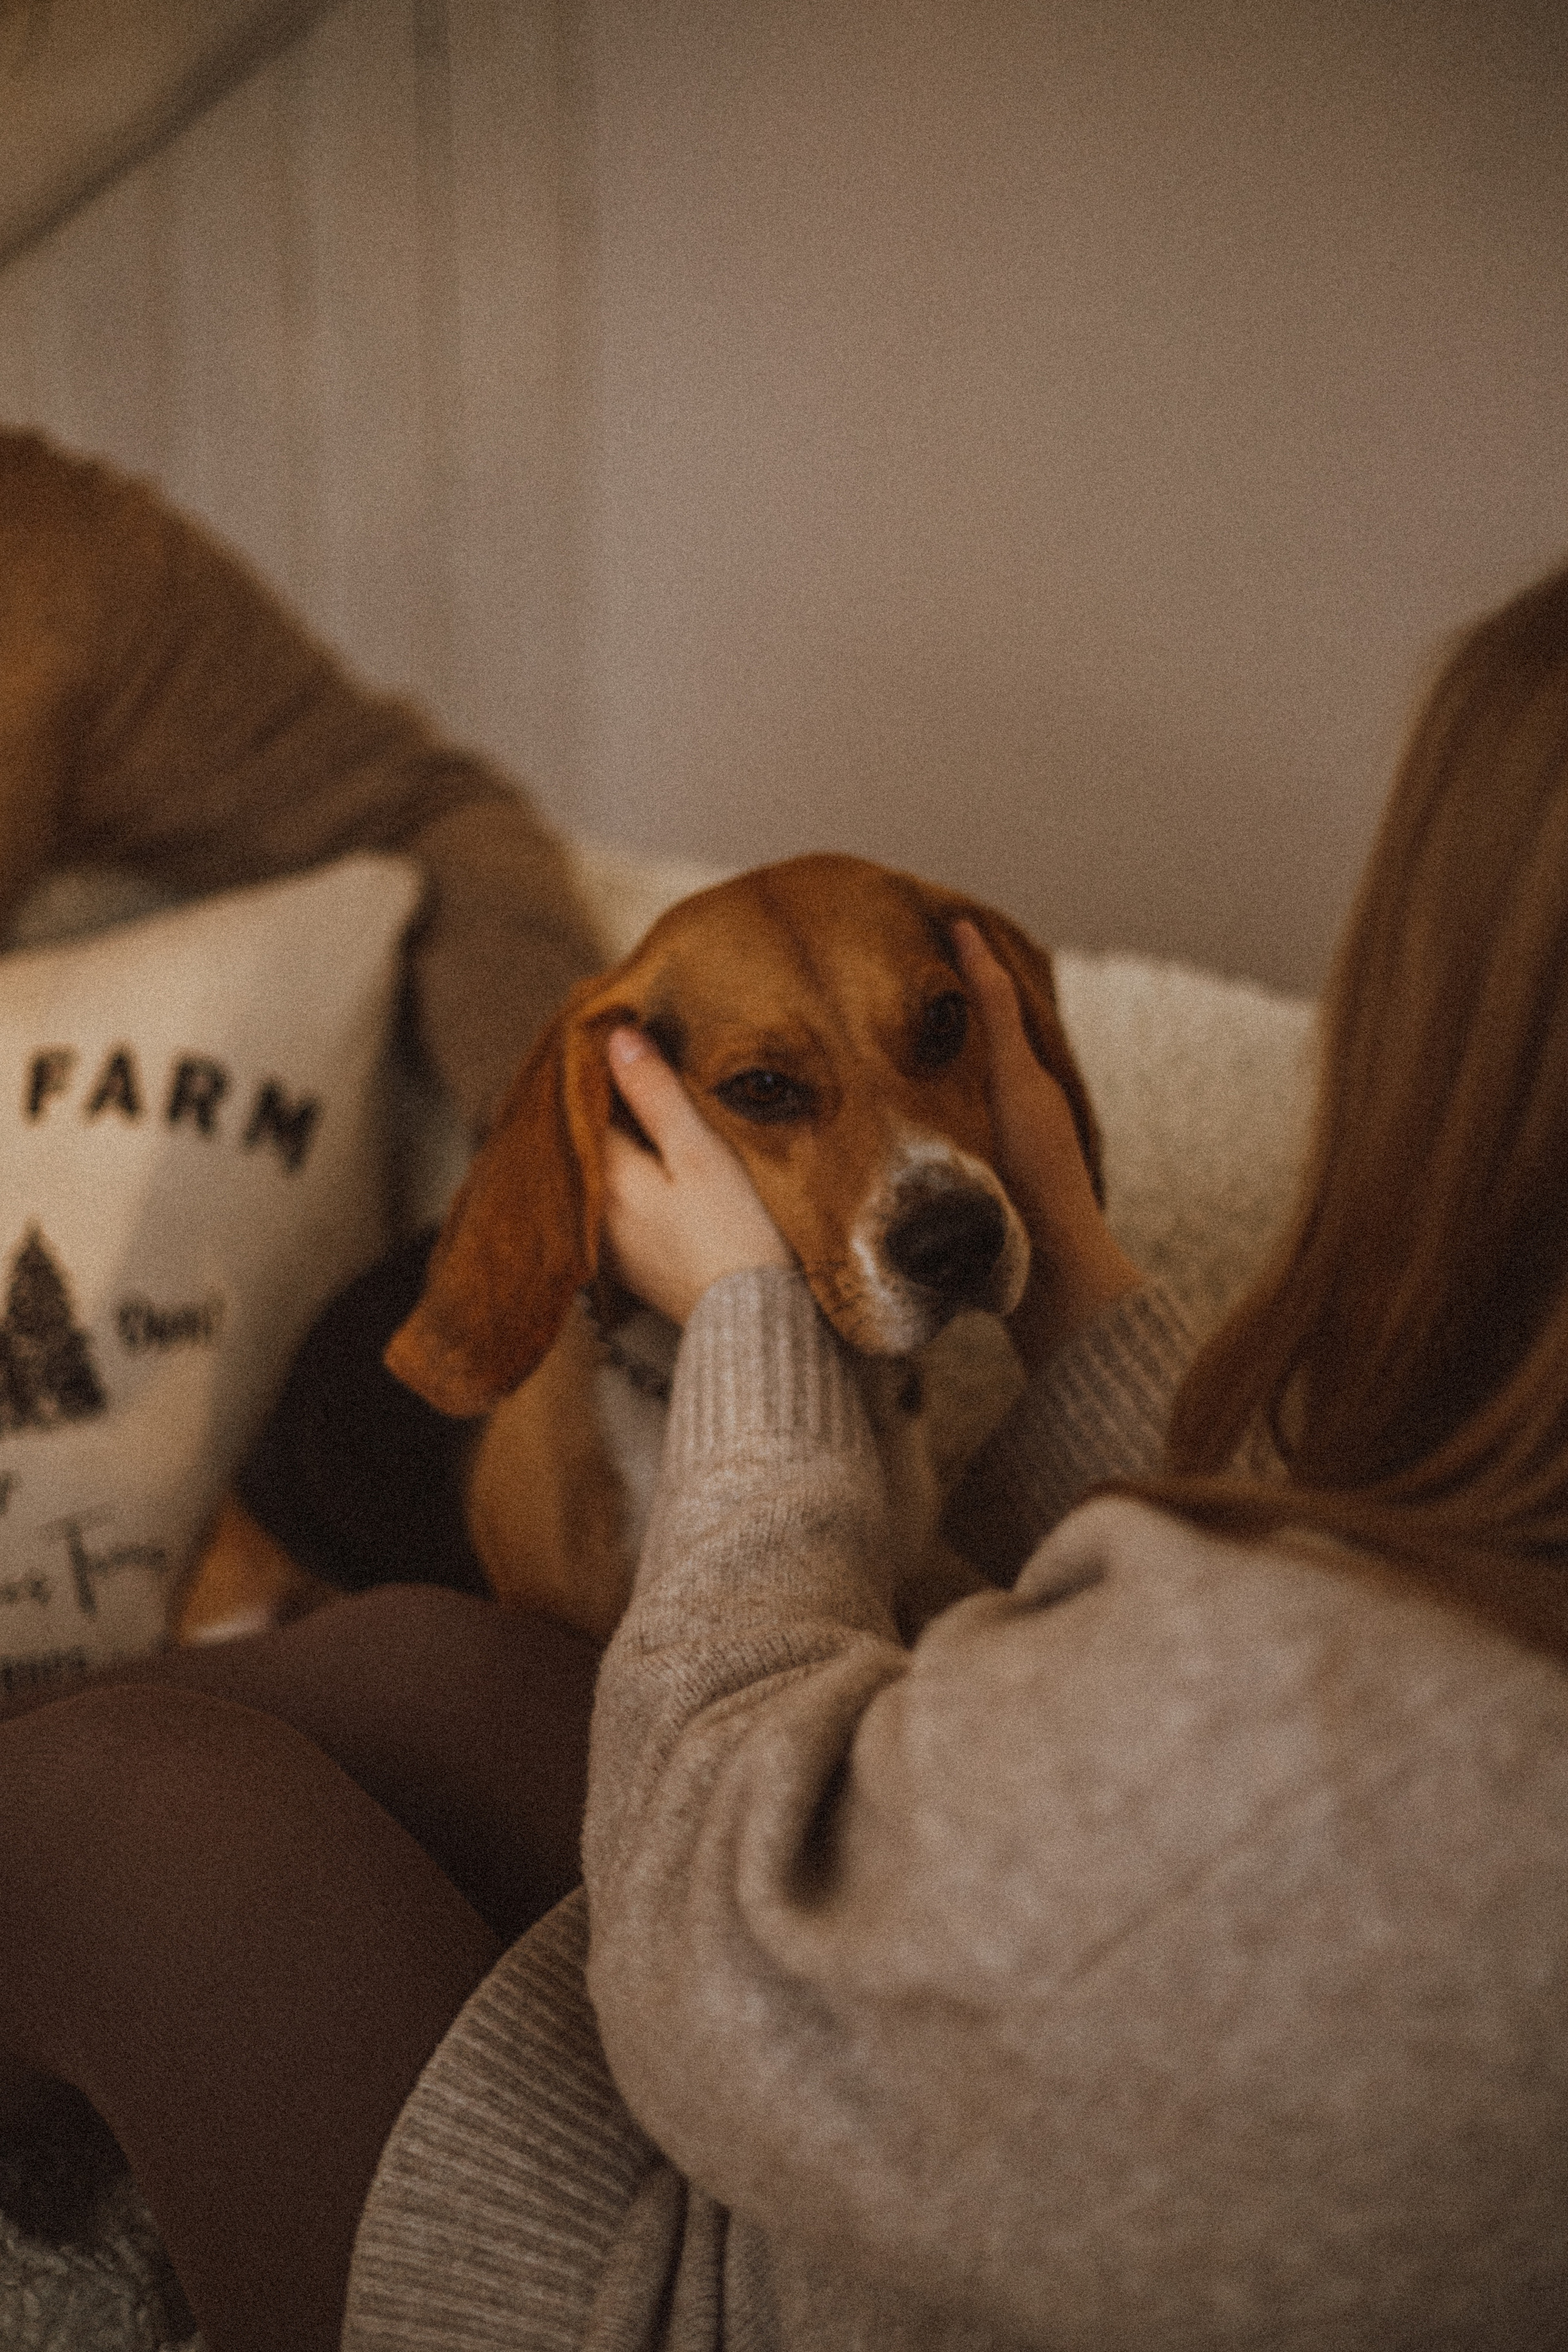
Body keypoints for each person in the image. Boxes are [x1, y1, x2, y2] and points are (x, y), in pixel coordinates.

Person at [2, 562, 1567, 2352]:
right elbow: (1279, 1619)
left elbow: (728, 1994)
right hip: (874, 2134)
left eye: (935, 1040)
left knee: (123, 1790)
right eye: (782, 1091)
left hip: (707, 2256)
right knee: (420, 1660)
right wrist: (1079, 1295)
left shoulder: (1441, 1789)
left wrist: (748, 1317)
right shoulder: (1479, 1597)